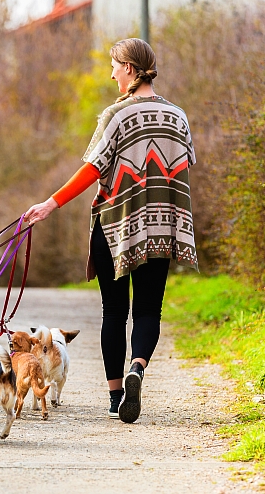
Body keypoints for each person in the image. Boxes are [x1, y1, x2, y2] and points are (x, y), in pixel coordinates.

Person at [23, 39, 198, 423]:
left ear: (132, 70)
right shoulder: (179, 117)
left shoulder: (116, 116)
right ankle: (138, 366)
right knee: (149, 308)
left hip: (115, 227)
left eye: (116, 66)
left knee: (114, 311)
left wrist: (50, 204)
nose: (112, 73)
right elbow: (183, 165)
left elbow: (92, 169)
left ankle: (117, 395)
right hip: (160, 228)